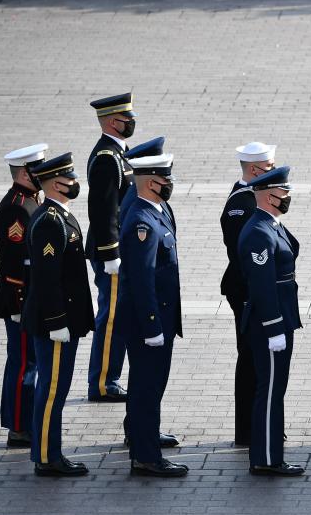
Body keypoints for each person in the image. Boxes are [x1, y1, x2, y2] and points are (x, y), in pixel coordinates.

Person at [22, 153, 95, 477]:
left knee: (56, 388)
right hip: (56, 324)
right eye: (69, 177)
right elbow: (47, 277)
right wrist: (56, 323)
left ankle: (48, 452)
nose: (74, 181)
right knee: (52, 390)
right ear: (55, 183)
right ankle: (47, 457)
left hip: (64, 321)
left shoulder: (59, 215)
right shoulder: (50, 221)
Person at [117, 153, 188, 478]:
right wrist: (151, 325)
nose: (170, 183)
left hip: (160, 317)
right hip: (150, 321)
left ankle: (143, 437)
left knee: (148, 385)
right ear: (148, 182)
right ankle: (146, 456)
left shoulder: (159, 210)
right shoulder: (141, 222)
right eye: (165, 178)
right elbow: (142, 278)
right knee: (147, 386)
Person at [237, 166, 304, 477]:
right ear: (267, 195)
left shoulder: (271, 225)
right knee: (270, 390)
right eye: (284, 191)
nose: (288, 196)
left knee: (276, 390)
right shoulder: (257, 233)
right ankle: (265, 458)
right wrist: (275, 328)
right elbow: (263, 287)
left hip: (281, 320)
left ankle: (270, 453)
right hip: (270, 326)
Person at [221, 142, 276, 445]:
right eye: (269, 167)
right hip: (246, 291)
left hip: (250, 290)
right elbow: (245, 254)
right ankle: (248, 429)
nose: (274, 171)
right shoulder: (242, 203)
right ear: (254, 170)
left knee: (256, 358)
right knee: (251, 359)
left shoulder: (250, 196)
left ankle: (255, 425)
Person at [0, 143, 46, 448]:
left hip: (25, 296)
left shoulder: (29, 201)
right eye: (37, 169)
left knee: (30, 361)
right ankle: (17, 426)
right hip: (19, 297)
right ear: (25, 173)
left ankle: (23, 421)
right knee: (23, 362)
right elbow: (14, 259)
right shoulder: (16, 206)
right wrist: (20, 302)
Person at [86, 92, 136, 402]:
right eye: (127, 119)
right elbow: (103, 209)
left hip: (119, 249)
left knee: (118, 315)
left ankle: (110, 376)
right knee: (112, 317)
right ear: (111, 121)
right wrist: (111, 254)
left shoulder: (119, 153)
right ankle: (103, 382)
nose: (132, 123)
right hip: (111, 253)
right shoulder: (106, 157)